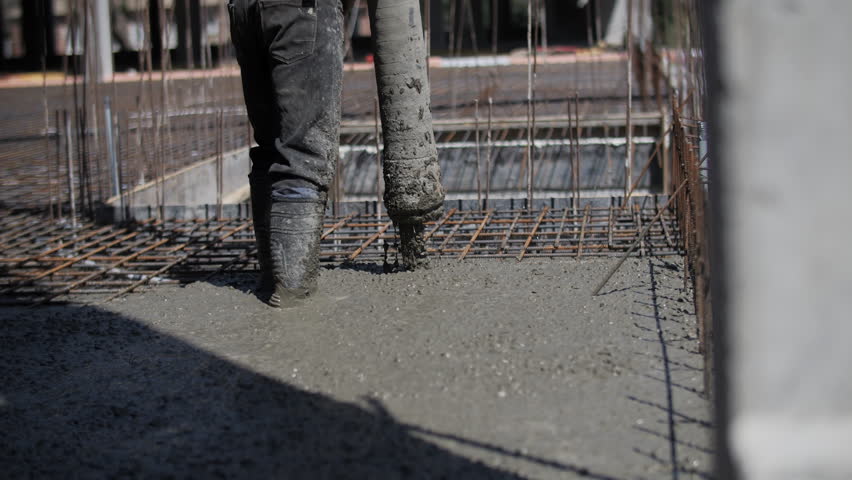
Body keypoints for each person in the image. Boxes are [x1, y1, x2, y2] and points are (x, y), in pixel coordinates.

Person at [228, 0, 345, 307]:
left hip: (245, 9)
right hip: (299, 9)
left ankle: (272, 282)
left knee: (269, 147)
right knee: (303, 154)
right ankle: (292, 292)